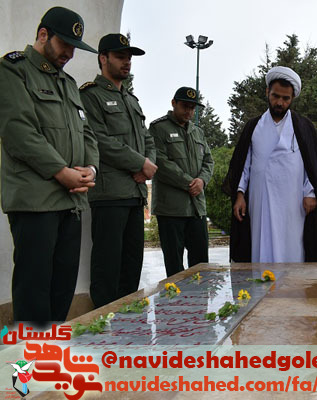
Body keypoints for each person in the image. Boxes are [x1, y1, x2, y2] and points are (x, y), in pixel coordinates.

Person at [0, 6, 99, 323]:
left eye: (74, 47)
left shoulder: (68, 83)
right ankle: (27, 358)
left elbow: (87, 134)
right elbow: (18, 131)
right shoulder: (13, 70)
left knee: (61, 292)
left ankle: (51, 352)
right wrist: (61, 172)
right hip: (35, 201)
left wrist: (90, 169)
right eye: (65, 44)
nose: (70, 53)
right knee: (34, 293)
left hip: (71, 202)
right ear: (43, 35)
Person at [79, 33, 157, 308]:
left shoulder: (131, 100)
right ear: (103, 58)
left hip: (135, 194)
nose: (127, 63)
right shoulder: (90, 95)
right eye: (120, 57)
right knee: (107, 266)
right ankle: (103, 322)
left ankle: (128, 322)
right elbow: (99, 140)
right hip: (109, 194)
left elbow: (147, 140)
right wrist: (140, 163)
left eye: (129, 58)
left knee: (131, 265)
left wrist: (148, 167)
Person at [223, 66, 317, 262]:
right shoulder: (253, 126)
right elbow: (244, 165)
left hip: (293, 201)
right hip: (260, 200)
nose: (280, 102)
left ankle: (293, 283)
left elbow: (313, 165)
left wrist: (310, 193)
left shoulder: (303, 126)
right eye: (275, 96)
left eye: (285, 98)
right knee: (260, 245)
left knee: (292, 246)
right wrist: (239, 194)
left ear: (292, 98)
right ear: (267, 92)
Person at [149, 87, 214, 277]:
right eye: (185, 106)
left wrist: (202, 181)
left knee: (201, 265)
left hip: (196, 208)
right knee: (174, 266)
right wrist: (189, 183)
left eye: (193, 108)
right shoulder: (158, 128)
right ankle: (176, 298)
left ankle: (200, 297)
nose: (189, 112)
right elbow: (160, 162)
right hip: (171, 209)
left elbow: (209, 161)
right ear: (174, 103)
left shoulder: (197, 132)